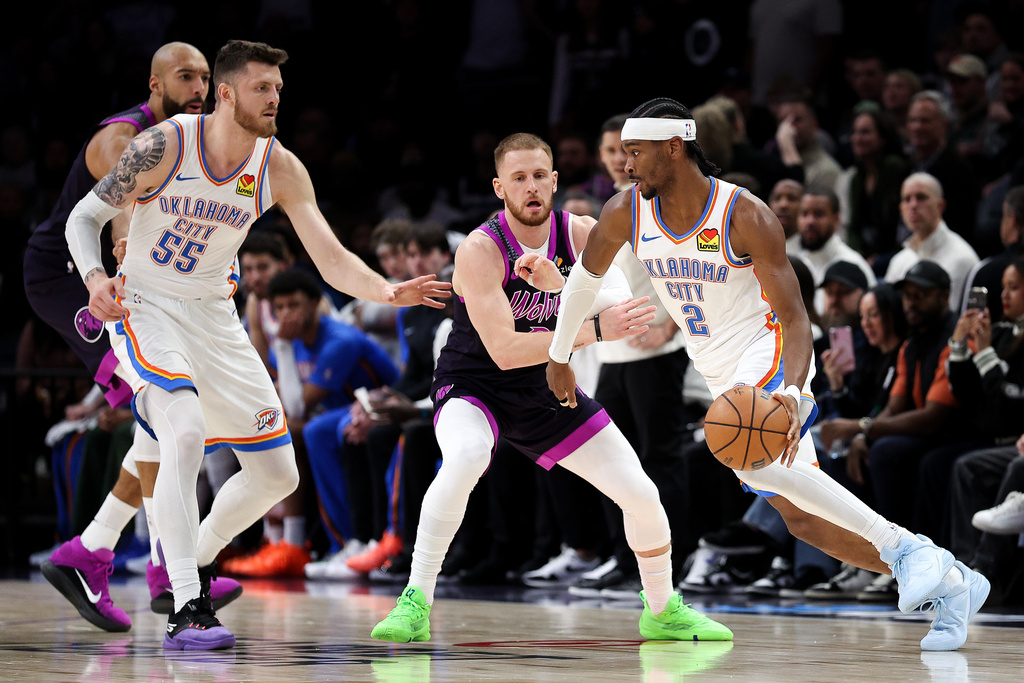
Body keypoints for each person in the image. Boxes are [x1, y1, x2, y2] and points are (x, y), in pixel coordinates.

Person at [547, 97, 989, 651]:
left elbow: (796, 317)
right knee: (802, 518)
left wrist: (796, 393)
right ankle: (951, 584)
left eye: (635, 152)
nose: (626, 164)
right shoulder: (625, 211)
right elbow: (584, 283)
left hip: (768, 347)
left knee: (750, 456)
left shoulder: (743, 214)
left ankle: (906, 549)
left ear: (673, 148)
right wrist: (560, 355)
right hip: (714, 368)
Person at [64, 39, 450, 650]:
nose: (274, 99)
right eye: (261, 88)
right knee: (182, 431)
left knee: (276, 473)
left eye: (278, 89)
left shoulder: (280, 166)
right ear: (225, 92)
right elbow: (82, 218)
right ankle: (187, 606)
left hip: (216, 318)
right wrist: (93, 281)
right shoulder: (167, 145)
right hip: (147, 305)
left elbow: (329, 257)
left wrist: (387, 290)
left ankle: (191, 559)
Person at [370, 132, 733, 644]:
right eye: (518, 178)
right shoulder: (480, 249)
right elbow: (506, 350)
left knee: (640, 490)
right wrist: (592, 327)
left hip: (542, 387)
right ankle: (415, 599)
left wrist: (562, 287)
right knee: (468, 456)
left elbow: (623, 309)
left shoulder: (583, 231)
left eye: (540, 175)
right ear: (500, 188)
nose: (531, 187)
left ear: (555, 180)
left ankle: (661, 608)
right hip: (473, 384)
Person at [25, 41, 240, 633]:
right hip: (70, 277)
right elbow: (125, 215)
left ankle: (98, 553)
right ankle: (161, 570)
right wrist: (123, 259)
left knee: (159, 405)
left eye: (204, 78)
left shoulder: (193, 139)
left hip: (120, 280)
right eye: (184, 77)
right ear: (154, 84)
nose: (198, 88)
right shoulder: (121, 140)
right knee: (163, 399)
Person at [884, 172, 979, 311]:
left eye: (921, 197)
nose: (913, 205)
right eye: (907, 199)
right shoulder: (899, 261)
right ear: (901, 209)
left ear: (940, 206)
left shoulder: (961, 258)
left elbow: (952, 320)